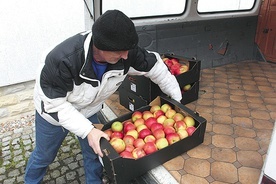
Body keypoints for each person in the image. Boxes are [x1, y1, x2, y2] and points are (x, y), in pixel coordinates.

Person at [24, 10, 182, 184]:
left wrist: (177, 99)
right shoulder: (63, 60)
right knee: (44, 156)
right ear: (100, 46)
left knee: (95, 152)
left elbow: (156, 67)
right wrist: (88, 130)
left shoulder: (126, 53)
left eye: (127, 50)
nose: (126, 56)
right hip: (53, 113)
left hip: (88, 110)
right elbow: (53, 103)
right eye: (120, 52)